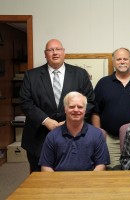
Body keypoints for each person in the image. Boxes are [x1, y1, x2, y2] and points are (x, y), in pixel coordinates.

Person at [19, 39, 94, 172]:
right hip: (39, 136)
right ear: (45, 54)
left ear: (64, 52)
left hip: (73, 134)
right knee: (39, 179)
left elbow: (90, 101)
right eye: (50, 50)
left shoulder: (80, 74)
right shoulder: (31, 76)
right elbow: (25, 102)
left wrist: (69, 120)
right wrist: (46, 121)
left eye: (58, 49)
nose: (55, 53)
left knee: (71, 176)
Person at [92, 47, 130, 168]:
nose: (122, 61)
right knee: (113, 171)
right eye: (119, 59)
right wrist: (98, 136)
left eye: (125, 59)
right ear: (113, 62)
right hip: (111, 140)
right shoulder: (103, 83)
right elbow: (95, 111)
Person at [39, 92, 109, 171]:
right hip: (60, 182)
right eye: (72, 107)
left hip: (88, 181)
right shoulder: (52, 136)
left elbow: (101, 165)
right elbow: (46, 167)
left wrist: (89, 182)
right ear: (65, 109)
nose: (76, 110)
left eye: (80, 107)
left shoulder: (97, 135)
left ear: (85, 110)